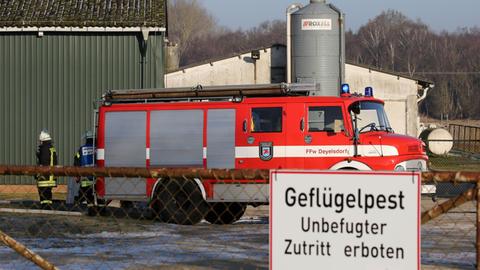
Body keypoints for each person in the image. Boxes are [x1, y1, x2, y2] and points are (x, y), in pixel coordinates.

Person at [36, 130, 57, 210]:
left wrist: (38, 173)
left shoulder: (44, 149)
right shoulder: (51, 148)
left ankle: (45, 208)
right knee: (48, 193)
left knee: (43, 193)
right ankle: (47, 207)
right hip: (51, 175)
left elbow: (44, 163)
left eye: (40, 141)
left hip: (45, 176)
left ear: (42, 140)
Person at [73, 131, 95, 208]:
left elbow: (76, 162)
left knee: (85, 195)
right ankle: (101, 210)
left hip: (86, 178)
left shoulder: (82, 149)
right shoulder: (99, 148)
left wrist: (77, 176)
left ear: (86, 139)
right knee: (98, 197)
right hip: (98, 179)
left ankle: (79, 206)